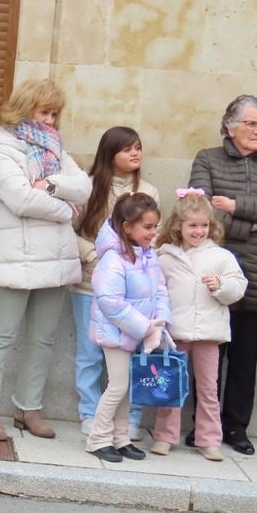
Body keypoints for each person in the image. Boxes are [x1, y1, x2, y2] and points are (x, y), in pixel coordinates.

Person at [0, 79, 90, 441]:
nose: (50, 120)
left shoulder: (57, 150)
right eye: (44, 111)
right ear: (23, 109)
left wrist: (51, 186)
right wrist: (66, 210)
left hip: (56, 258)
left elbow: (84, 188)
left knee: (42, 338)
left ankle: (27, 407)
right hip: (14, 257)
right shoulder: (2, 149)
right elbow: (20, 199)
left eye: (54, 113)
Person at [188, 94, 257, 455]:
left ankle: (236, 427)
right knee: (208, 355)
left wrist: (232, 206)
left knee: (245, 359)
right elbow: (200, 210)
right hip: (214, 272)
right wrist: (254, 224)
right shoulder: (207, 159)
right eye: (251, 123)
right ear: (230, 125)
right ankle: (202, 426)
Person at [72, 126, 159, 440]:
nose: (135, 154)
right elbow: (70, 232)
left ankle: (130, 420)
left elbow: (151, 240)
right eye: (127, 149)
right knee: (90, 353)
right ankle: (90, 413)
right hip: (90, 286)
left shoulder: (148, 191)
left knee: (134, 358)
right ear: (110, 154)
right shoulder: (89, 187)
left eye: (138, 147)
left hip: (136, 293)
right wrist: (93, 255)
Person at [152, 190, 247, 461]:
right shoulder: (165, 257)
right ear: (178, 226)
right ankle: (164, 436)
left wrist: (221, 287)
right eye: (192, 225)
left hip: (209, 334)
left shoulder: (221, 256)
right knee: (170, 386)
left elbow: (238, 288)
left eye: (204, 225)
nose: (198, 231)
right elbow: (156, 291)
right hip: (175, 334)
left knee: (208, 389)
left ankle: (209, 439)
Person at [86, 193, 171, 462]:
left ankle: (121, 439)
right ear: (126, 227)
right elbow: (111, 303)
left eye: (155, 226)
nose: (153, 232)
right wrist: (145, 327)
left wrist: (160, 321)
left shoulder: (148, 256)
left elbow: (160, 290)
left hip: (136, 333)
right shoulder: (113, 260)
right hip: (116, 334)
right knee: (118, 386)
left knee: (125, 387)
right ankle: (98, 438)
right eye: (147, 227)